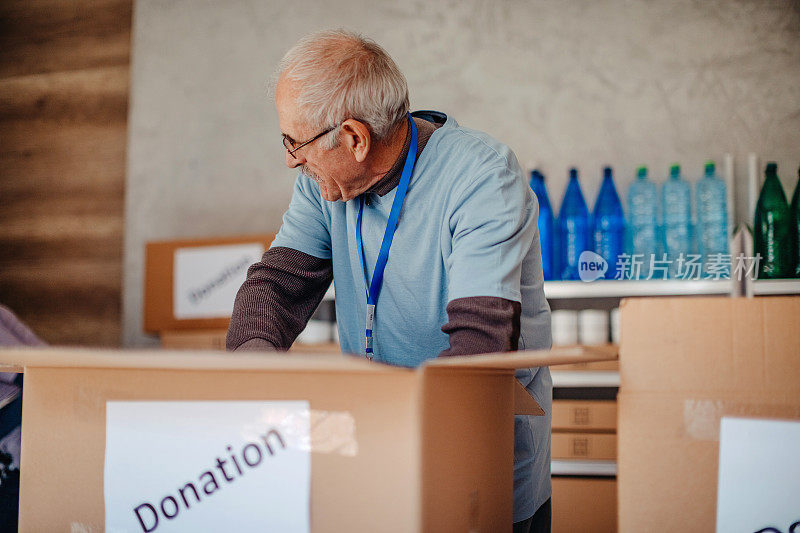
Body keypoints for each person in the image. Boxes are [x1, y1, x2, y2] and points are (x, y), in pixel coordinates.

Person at [227, 29, 552, 532]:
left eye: (296, 143)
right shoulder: (323, 187)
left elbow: (479, 344)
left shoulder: (482, 178)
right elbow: (276, 285)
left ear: (356, 138)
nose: (292, 159)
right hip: (375, 461)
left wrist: (365, 428)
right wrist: (254, 380)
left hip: (476, 466)